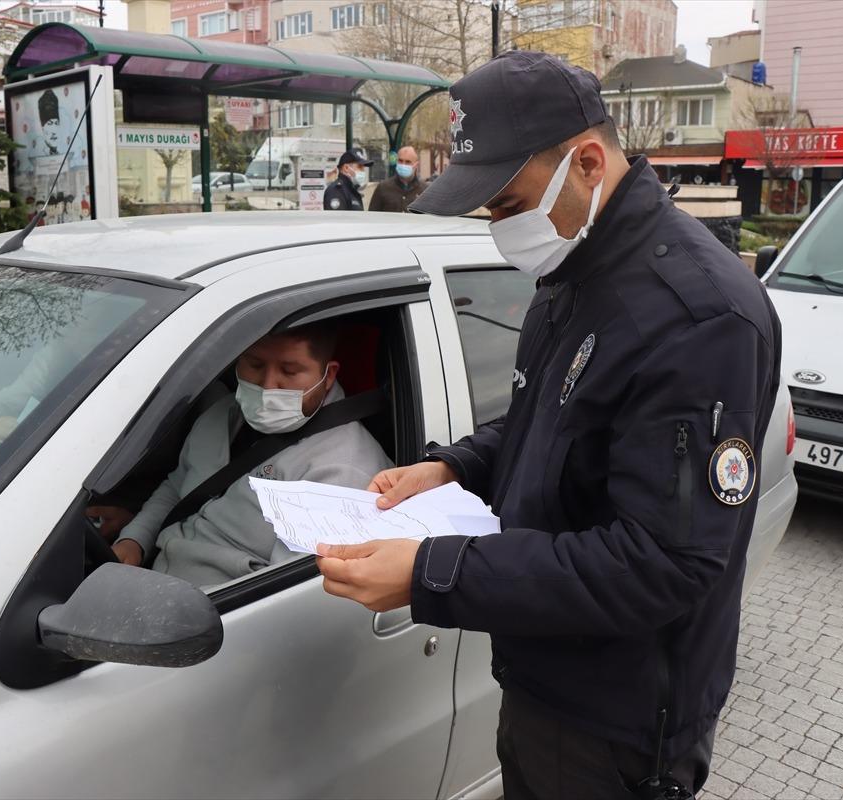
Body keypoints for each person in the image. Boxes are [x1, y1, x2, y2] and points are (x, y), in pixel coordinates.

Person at [315, 52, 781, 800]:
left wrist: (432, 572)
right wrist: (456, 466)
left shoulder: (696, 317)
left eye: (509, 205)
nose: (500, 229)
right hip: (545, 674)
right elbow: (548, 423)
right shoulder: (574, 271)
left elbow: (663, 561)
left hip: (618, 722)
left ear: (587, 163)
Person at [109, 323, 391, 588]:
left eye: (289, 371)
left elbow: (281, 591)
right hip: (152, 580)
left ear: (328, 376)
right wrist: (134, 540)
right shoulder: (221, 414)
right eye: (255, 365)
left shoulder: (342, 471)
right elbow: (178, 485)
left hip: (216, 607)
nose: (268, 386)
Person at [367, 146, 426, 212]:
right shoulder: (383, 187)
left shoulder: (425, 190)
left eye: (408, 162)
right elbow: (372, 215)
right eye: (400, 161)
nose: (403, 164)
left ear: (416, 165)